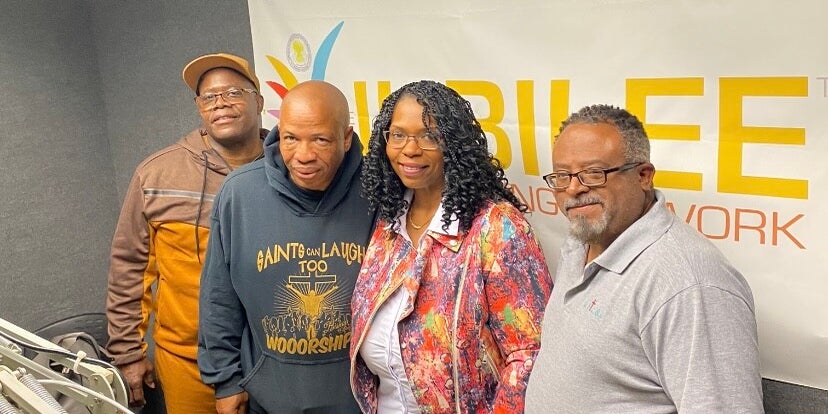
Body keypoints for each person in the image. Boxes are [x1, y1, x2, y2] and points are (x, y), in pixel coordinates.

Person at [526, 104, 763, 413]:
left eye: (593, 173)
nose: (573, 188)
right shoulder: (582, 238)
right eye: (562, 176)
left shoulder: (690, 285)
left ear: (643, 176)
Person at [350, 80, 553, 414]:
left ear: (454, 143)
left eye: (429, 136)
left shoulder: (497, 228)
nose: (410, 149)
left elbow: (530, 353)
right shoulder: (388, 222)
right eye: (398, 135)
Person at [198, 80, 375, 414]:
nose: (303, 155)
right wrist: (225, 381)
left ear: (346, 137)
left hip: (360, 400)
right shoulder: (239, 195)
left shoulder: (377, 192)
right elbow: (219, 298)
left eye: (320, 140)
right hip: (268, 397)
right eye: (291, 138)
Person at [105, 52, 267, 412]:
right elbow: (130, 267)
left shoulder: (290, 168)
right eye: (208, 97)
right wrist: (128, 354)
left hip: (273, 360)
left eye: (233, 93)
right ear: (199, 108)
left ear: (258, 101)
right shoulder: (157, 174)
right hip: (187, 363)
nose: (220, 103)